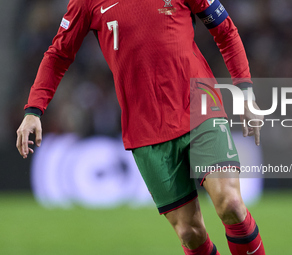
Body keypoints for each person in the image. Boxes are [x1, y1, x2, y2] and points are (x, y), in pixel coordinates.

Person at [16, 0, 265, 254]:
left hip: (199, 106)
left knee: (231, 204)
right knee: (190, 232)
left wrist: (244, 90)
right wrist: (34, 109)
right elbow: (59, 53)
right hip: (145, 128)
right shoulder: (85, 2)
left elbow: (225, 30)